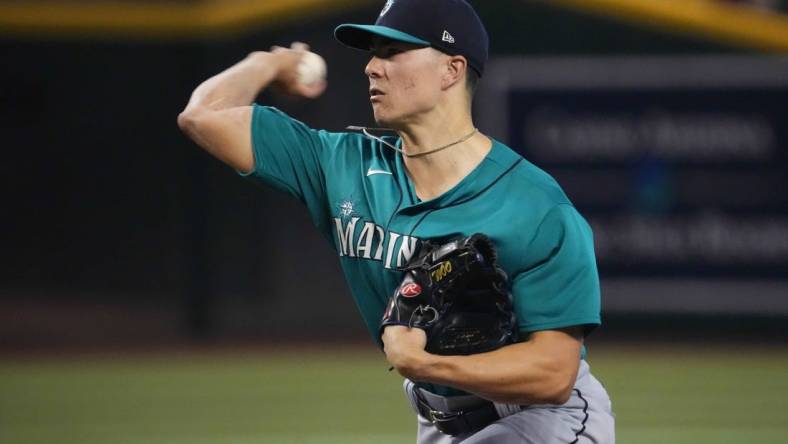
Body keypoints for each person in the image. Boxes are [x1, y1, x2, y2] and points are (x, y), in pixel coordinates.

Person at [178, 0, 615, 442]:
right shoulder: (342, 166)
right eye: (372, 54)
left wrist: (424, 364)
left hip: (541, 421)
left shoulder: (534, 207)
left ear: (452, 69)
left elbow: (554, 375)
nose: (371, 68)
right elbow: (202, 116)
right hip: (437, 422)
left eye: (392, 52)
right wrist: (270, 62)